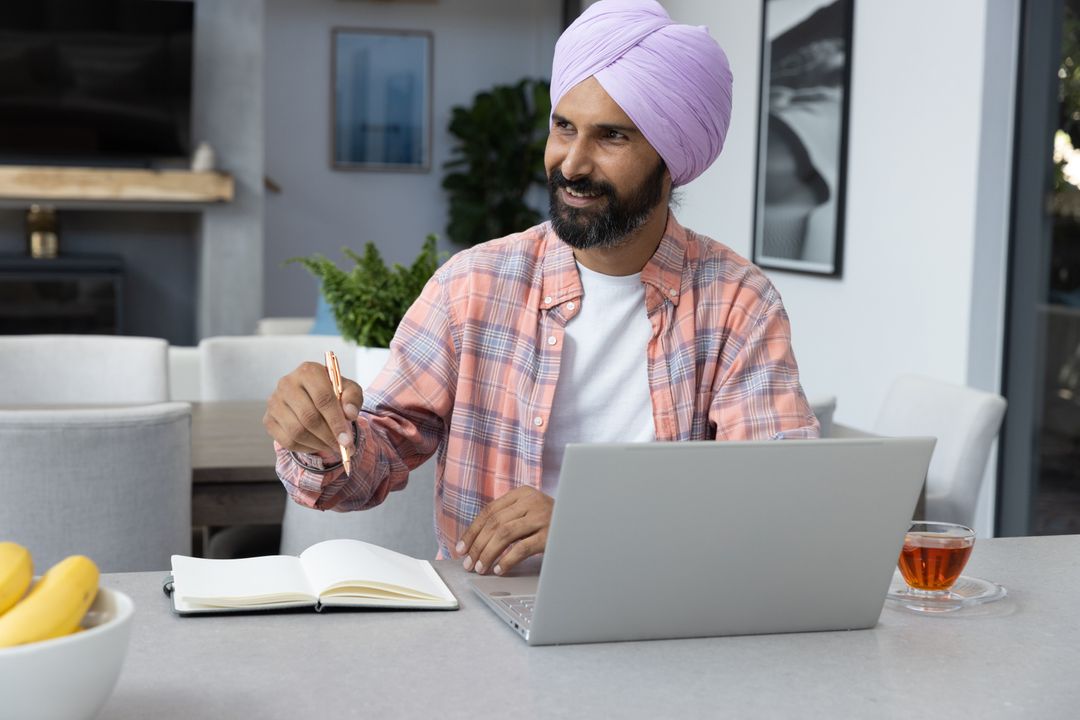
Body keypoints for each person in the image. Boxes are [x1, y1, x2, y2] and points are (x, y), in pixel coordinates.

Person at [265, 0, 819, 577]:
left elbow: (773, 503)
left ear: (670, 159)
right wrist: (323, 439)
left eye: (612, 137)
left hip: (664, 615)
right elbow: (370, 465)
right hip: (486, 622)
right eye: (564, 127)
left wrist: (590, 519)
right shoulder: (473, 284)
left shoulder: (738, 305)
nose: (572, 164)